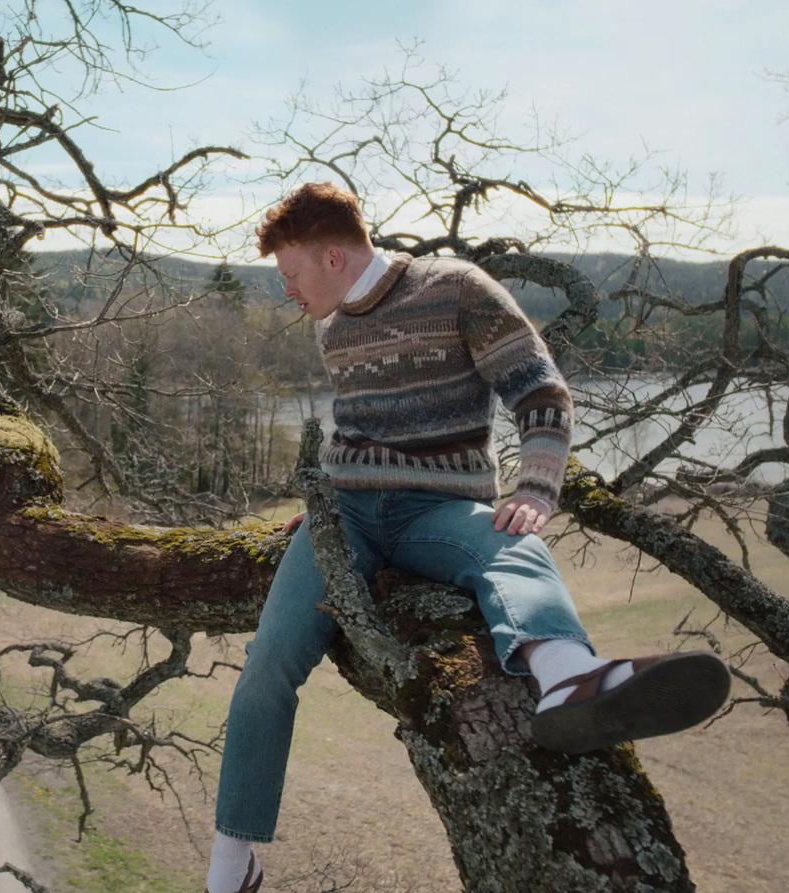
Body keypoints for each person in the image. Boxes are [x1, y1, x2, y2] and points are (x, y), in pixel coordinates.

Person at [203, 183, 732, 893]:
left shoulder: (457, 289)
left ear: (332, 255)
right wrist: (323, 504)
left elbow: (541, 393)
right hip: (349, 517)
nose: (289, 292)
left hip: (438, 510)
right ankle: (230, 868)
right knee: (268, 663)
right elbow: (357, 429)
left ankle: (569, 680)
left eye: (292, 274)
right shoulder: (331, 325)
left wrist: (536, 488)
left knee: (511, 547)